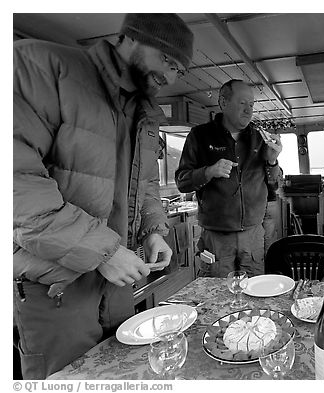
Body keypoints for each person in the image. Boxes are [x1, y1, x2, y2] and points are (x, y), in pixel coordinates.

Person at [13, 13, 194, 379]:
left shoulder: (143, 111)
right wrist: (105, 251)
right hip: (56, 286)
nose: (170, 77)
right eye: (166, 60)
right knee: (69, 383)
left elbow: (142, 184)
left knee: (124, 376)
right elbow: (17, 184)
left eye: (179, 70)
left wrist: (153, 229)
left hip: (115, 285)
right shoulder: (43, 67)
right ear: (131, 37)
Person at [175, 79, 282, 277]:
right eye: (242, 103)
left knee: (256, 294)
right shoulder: (200, 136)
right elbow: (182, 181)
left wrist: (272, 162)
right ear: (223, 103)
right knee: (219, 295)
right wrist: (208, 172)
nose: (248, 110)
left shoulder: (259, 138)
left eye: (251, 105)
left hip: (253, 235)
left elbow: (274, 184)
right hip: (217, 238)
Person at [263, 166, 283, 256]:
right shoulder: (276, 168)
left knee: (254, 237)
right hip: (271, 203)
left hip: (256, 204)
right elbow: (277, 185)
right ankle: (269, 264)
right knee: (269, 237)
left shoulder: (254, 166)